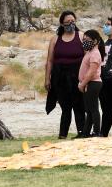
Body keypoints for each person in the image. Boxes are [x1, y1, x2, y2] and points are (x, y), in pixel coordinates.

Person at [44, 10, 87, 138]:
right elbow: (50, 61)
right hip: (60, 78)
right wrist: (47, 79)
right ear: (62, 24)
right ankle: (63, 134)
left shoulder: (81, 36)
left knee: (79, 105)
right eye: (67, 22)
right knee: (65, 107)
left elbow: (87, 58)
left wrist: (85, 79)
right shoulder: (55, 39)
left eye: (73, 21)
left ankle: (82, 133)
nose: (70, 24)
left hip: (77, 76)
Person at [76, 29, 104, 137]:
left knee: (93, 109)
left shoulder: (95, 54)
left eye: (87, 40)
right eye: (84, 40)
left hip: (93, 83)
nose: (84, 42)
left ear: (95, 41)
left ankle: (97, 132)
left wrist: (83, 84)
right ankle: (86, 132)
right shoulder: (89, 52)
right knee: (89, 109)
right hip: (89, 83)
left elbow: (92, 72)